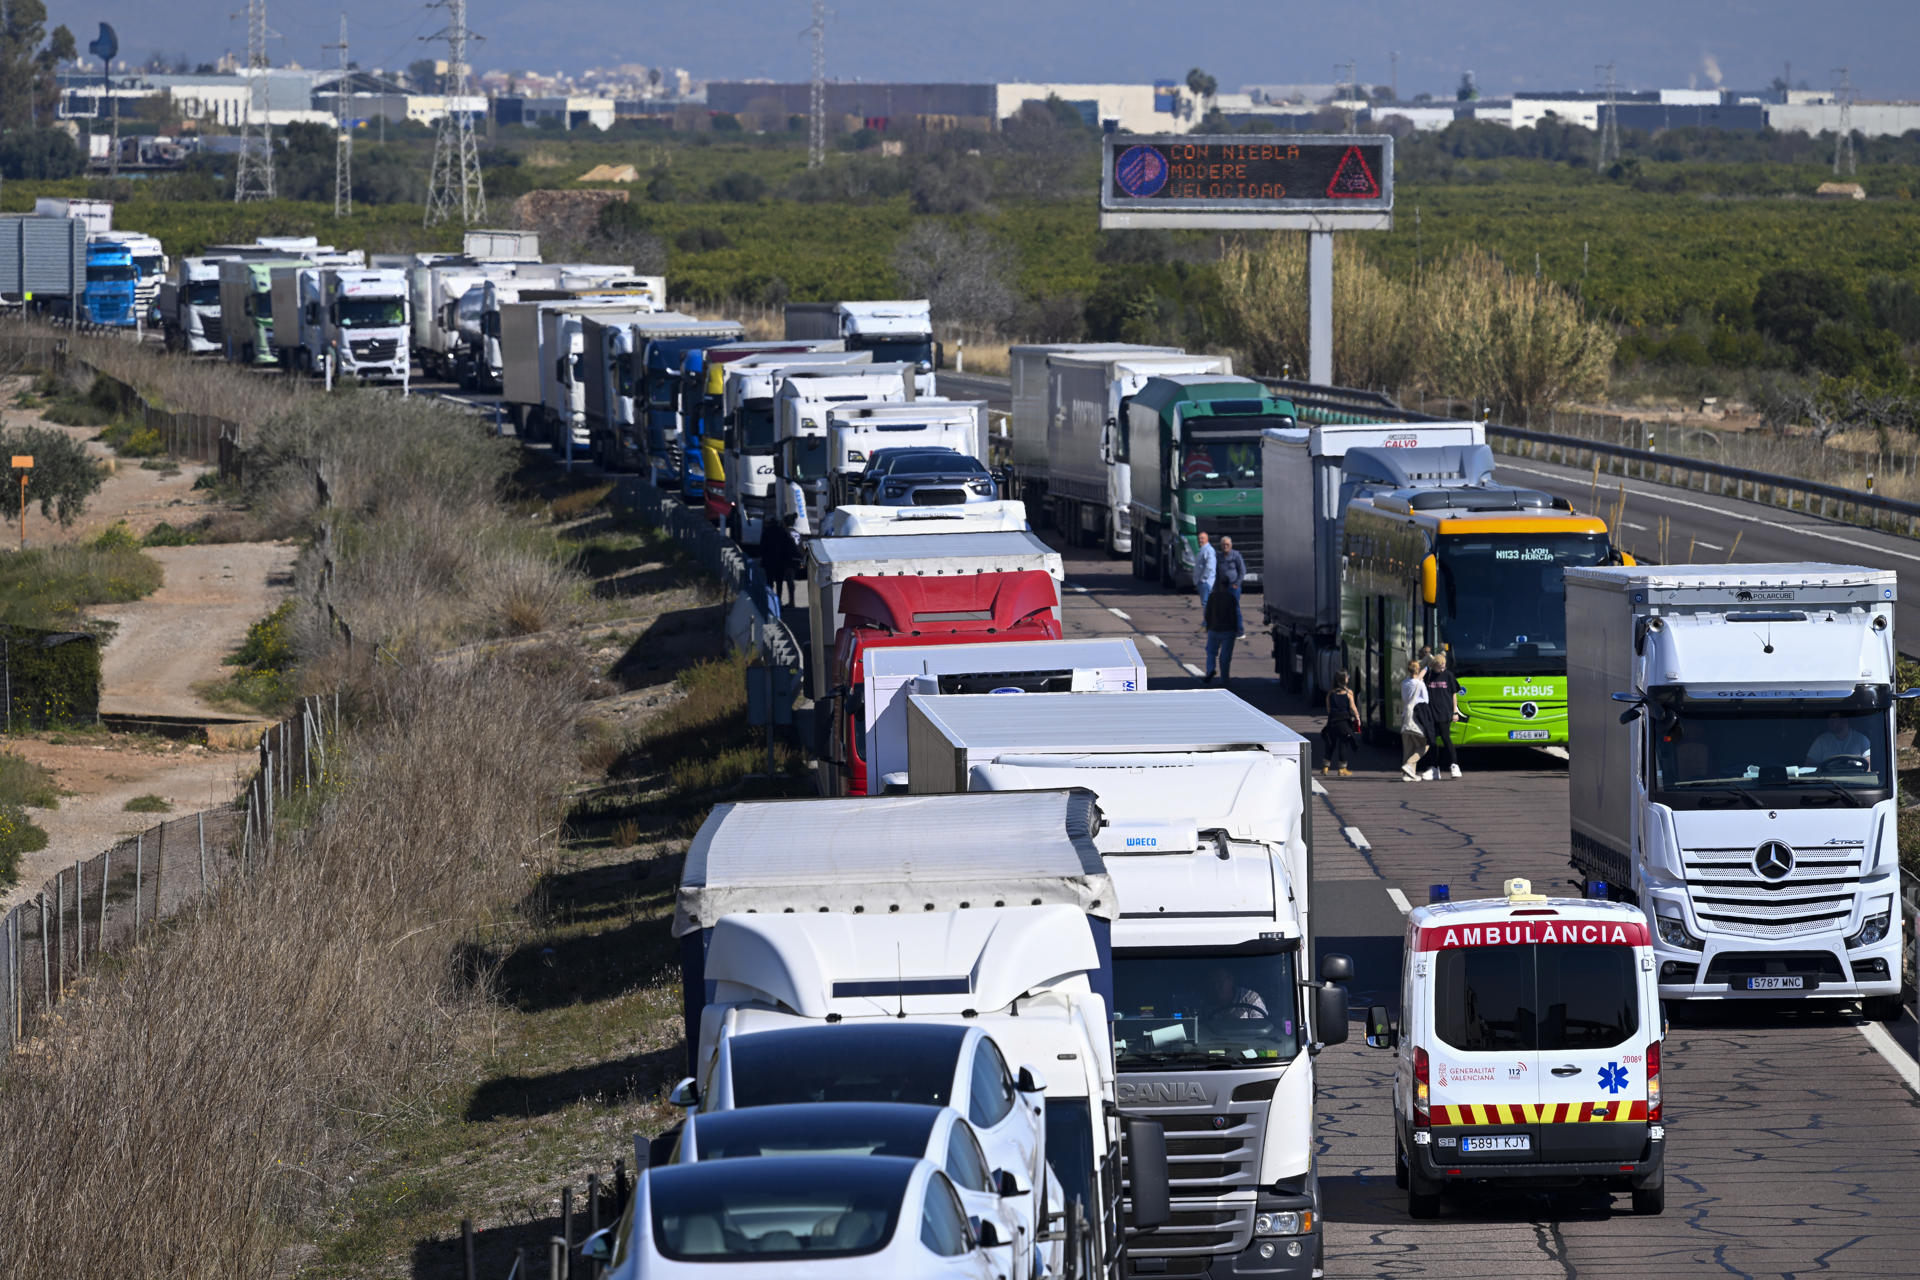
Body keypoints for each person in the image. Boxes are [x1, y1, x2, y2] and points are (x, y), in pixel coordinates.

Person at [1418, 651, 1463, 780]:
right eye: (1439, 667)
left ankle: (1454, 765)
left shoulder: (1449, 676)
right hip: (1430, 713)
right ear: (1434, 666)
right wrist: (1427, 667)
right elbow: (1418, 680)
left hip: (1444, 712)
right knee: (1431, 741)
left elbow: (1454, 694)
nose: (1442, 669)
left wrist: (1455, 711)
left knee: (1445, 738)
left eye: (1444, 666)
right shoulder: (1429, 675)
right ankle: (1434, 768)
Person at [1322, 669, 1359, 777]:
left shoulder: (1330, 693)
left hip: (1332, 722)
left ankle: (1325, 767)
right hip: (1344, 723)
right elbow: (1352, 707)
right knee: (1343, 745)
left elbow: (1328, 709)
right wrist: (1357, 717)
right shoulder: (1349, 693)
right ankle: (1342, 769)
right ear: (1344, 680)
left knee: (1330, 744)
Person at [1203, 570, 1238, 683]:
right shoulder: (1231, 598)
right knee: (1225, 657)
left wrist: (1208, 626)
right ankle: (1224, 678)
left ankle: (1210, 670)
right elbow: (1234, 615)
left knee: (1211, 652)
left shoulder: (1212, 597)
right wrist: (1236, 629)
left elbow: (1208, 613)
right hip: (1228, 630)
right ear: (1227, 585)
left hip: (1214, 629)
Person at [760, 513, 800, 610]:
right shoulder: (783, 532)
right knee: (779, 583)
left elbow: (762, 547)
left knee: (769, 583)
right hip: (780, 562)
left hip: (769, 562)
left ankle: (770, 603)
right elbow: (788, 546)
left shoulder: (766, 532)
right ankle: (778, 601)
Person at [1399, 657, 1429, 782]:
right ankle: (1409, 764)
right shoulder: (1420, 684)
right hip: (1415, 718)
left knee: (1408, 747)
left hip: (1405, 716)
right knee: (1424, 745)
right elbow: (1426, 700)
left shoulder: (1404, 683)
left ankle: (1408, 774)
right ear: (1418, 670)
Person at [1805, 712, 1872, 767]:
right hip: (1828, 782)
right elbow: (1809, 764)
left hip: (1857, 781)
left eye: (1834, 718)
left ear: (1844, 720)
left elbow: (1868, 766)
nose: (1830, 721)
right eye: (1829, 719)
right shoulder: (1821, 741)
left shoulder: (1861, 739)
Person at [1200, 965, 1268, 1019]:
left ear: (1231, 980)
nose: (1216, 987)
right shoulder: (1205, 1004)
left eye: (1220, 981)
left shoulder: (1250, 998)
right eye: (1212, 983)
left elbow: (1261, 1025)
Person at [1218, 536, 1247, 635]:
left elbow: (1242, 570)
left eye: (1227, 544)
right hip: (1223, 587)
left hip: (1233, 587)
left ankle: (1240, 631)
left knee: (1235, 609)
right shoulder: (1219, 557)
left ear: (1231, 545)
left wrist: (1237, 584)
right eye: (1223, 545)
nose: (1225, 546)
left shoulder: (1236, 555)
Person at [1193, 531, 1216, 617]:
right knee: (1206, 604)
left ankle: (1207, 625)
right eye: (1199, 538)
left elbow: (1210, 566)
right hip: (1202, 582)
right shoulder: (1202, 549)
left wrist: (1203, 579)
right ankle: (1207, 624)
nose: (1200, 540)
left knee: (1206, 604)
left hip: (1205, 582)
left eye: (1202, 538)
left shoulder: (1208, 550)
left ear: (1207, 539)